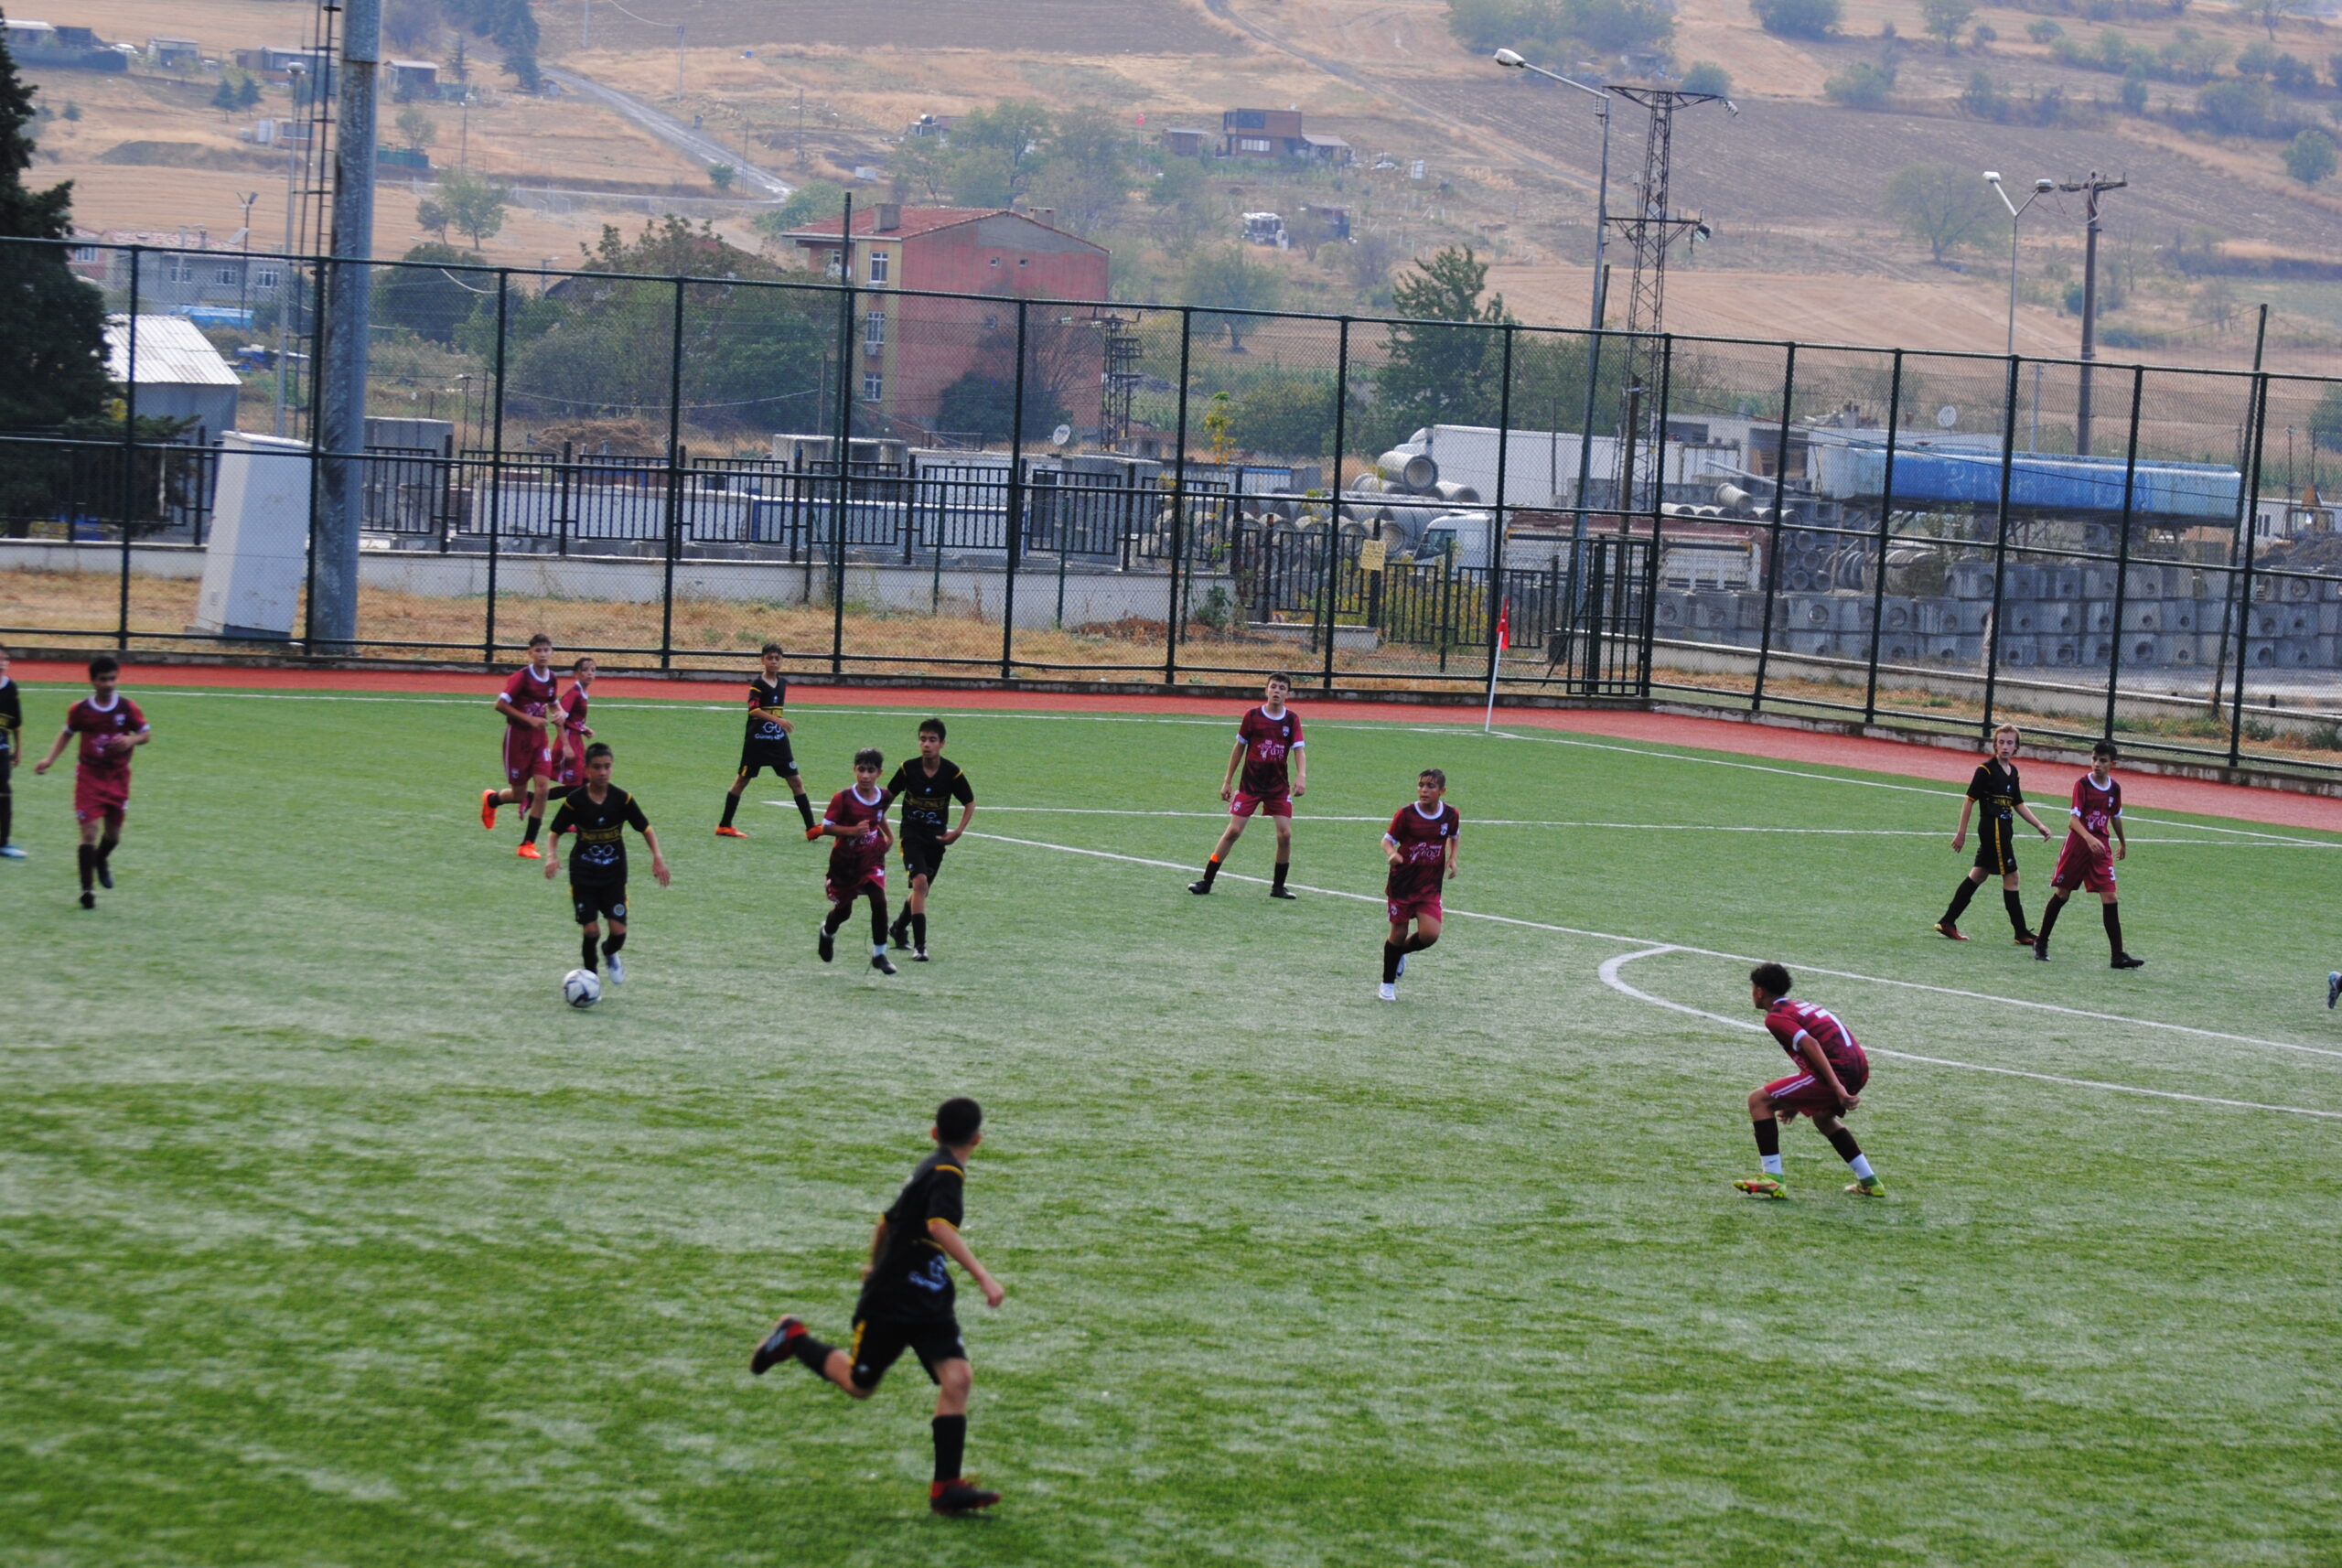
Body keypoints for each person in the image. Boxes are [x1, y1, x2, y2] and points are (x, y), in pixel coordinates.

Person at [750, 1096, 1005, 1518]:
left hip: (928, 1296)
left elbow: (886, 1222)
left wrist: (873, 1261)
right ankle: (794, 1339)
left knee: (957, 1377)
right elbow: (938, 1226)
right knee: (858, 1385)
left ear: (934, 1133)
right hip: (892, 1301)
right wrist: (983, 1276)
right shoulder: (945, 1173)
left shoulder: (929, 1167)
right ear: (978, 1139)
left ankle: (946, 1489)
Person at [1734, 963, 1885, 1200]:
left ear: (1760, 991)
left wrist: (1836, 1086)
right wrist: (1795, 1103)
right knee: (1823, 1118)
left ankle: (1772, 1178)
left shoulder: (1776, 1017)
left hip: (1839, 1070)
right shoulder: (1800, 1006)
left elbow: (1811, 1044)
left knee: (1758, 1101)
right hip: (1858, 1065)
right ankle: (1870, 1182)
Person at [543, 742, 669, 986]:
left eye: (607, 767)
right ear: (586, 770)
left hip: (613, 876)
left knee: (618, 933)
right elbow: (554, 831)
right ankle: (592, 981)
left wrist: (658, 858)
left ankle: (610, 952)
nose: (603, 772)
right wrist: (551, 855)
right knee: (591, 931)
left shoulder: (622, 799)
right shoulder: (575, 801)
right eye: (597, 767)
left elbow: (645, 828)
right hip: (583, 875)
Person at [31, 654, 151, 909]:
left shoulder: (128, 708)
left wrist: (131, 741)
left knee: (114, 836)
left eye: (112, 679)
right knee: (89, 833)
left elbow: (145, 734)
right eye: (103, 680)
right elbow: (66, 733)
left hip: (118, 778)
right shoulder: (81, 710)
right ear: (93, 682)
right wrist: (49, 759)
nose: (108, 684)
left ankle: (101, 859)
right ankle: (87, 891)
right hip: (89, 777)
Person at [1934, 724, 2053, 945]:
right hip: (1993, 830)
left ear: (2017, 747)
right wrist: (1961, 833)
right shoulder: (1986, 770)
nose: (2005, 746)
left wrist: (2039, 825)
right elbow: (1969, 800)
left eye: (2010, 743)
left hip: (2004, 830)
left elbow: (2017, 803)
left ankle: (1947, 921)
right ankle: (2021, 932)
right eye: (2001, 742)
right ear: (1995, 744)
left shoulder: (2013, 772)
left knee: (1978, 875)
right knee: (2012, 877)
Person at [1188, 673, 1305, 898]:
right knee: (1233, 831)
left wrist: (1302, 775)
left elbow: (1299, 749)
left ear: (1288, 694)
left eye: (1282, 688)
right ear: (1266, 690)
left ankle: (1278, 887)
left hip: (1278, 788)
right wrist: (1227, 781)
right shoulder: (1252, 716)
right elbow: (1239, 748)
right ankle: (1206, 880)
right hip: (1250, 785)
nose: (1277, 691)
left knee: (1285, 835)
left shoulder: (1292, 720)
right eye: (1273, 687)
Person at [2035, 740, 2143, 969]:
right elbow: (2073, 821)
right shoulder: (2082, 784)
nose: (2096, 764)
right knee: (2063, 894)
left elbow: (2114, 816)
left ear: (2112, 764)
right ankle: (2041, 942)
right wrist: (2089, 838)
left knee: (2110, 897)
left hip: (2100, 848)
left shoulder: (2114, 788)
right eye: (2094, 759)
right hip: (2078, 846)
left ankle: (2118, 955)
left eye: (2102, 761)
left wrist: (2122, 842)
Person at [883, 718, 975, 962]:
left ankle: (898, 928)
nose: (926, 744)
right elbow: (886, 798)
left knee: (920, 891)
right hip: (911, 835)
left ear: (942, 744)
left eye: (932, 740)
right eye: (923, 739)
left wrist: (957, 831)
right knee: (920, 883)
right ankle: (920, 946)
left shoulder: (952, 773)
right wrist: (882, 829)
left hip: (937, 839)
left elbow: (969, 802)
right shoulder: (907, 769)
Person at [717, 642, 816, 839]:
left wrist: (778, 724)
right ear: (762, 660)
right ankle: (724, 825)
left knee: (795, 781)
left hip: (778, 741)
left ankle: (811, 828)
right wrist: (778, 720)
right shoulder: (757, 684)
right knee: (742, 780)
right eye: (769, 658)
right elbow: (753, 709)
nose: (773, 661)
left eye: (777, 658)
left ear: (782, 661)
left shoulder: (783, 682)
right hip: (757, 741)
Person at [1380, 768, 1459, 1004]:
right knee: (1399, 933)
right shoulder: (1406, 814)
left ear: (1442, 791)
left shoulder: (1451, 815)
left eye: (1431, 786)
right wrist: (1392, 853)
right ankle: (1387, 985)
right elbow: (1386, 841)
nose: (1424, 790)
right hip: (1402, 884)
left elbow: (1454, 835)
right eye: (1421, 785)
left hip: (1429, 887)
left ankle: (1400, 954)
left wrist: (1453, 858)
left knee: (1430, 935)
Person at [817, 747, 898, 976]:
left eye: (870, 770)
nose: (865, 775)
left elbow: (879, 816)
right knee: (844, 912)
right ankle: (827, 933)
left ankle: (879, 954)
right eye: (861, 770)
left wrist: (889, 836)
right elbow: (825, 827)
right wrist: (852, 830)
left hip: (871, 857)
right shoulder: (843, 798)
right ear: (854, 770)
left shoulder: (884, 796)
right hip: (845, 862)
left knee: (879, 900)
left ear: (879, 773)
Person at [480, 633, 560, 858]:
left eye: (546, 650)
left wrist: (560, 714)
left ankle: (528, 844)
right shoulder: (521, 677)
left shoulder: (552, 678)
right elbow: (500, 704)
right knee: (518, 793)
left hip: (539, 739)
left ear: (552, 653)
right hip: (517, 738)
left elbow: (553, 703)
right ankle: (492, 799)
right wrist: (530, 719)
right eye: (538, 650)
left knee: (543, 789)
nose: (543, 654)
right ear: (530, 653)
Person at [485, 655, 596, 814]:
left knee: (585, 782)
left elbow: (569, 718)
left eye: (593, 670)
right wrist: (566, 745)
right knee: (578, 784)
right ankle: (562, 817)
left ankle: (575, 821)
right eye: (585, 670)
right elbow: (560, 717)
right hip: (569, 742)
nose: (590, 673)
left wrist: (583, 728)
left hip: (575, 740)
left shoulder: (582, 692)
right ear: (576, 673)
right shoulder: (574, 693)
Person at [0, 647, 23, 858]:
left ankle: (3, 842)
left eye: (4, 659)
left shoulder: (11, 688)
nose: (1, 663)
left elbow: (16, 723)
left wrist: (18, 749)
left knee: (5, 793)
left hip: (2, 751)